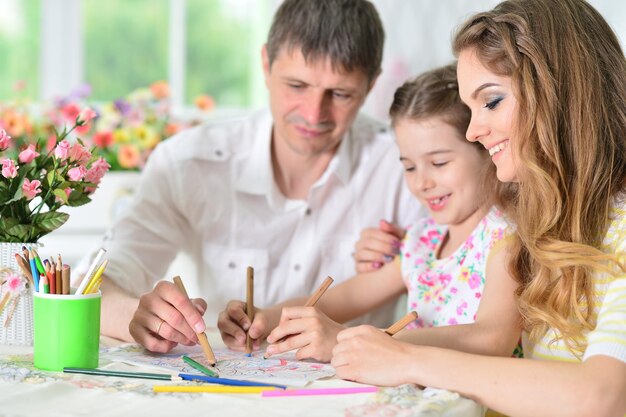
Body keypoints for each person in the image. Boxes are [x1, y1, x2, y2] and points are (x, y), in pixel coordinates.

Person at [331, 0, 626, 416]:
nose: (473, 130)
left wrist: (406, 359)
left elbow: (604, 397)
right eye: (470, 109)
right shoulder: (553, 227)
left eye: (490, 102)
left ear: (559, 90)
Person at [97, 0, 423, 352]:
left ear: (372, 84)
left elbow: (463, 288)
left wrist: (420, 253)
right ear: (266, 65)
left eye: (340, 94)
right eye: (297, 86)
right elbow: (97, 286)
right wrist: (139, 316)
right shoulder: (188, 162)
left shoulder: (409, 166)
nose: (314, 114)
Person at [217, 63, 510, 362]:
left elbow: (490, 339)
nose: (422, 182)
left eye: (439, 163)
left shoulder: (505, 237)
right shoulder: (423, 241)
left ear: (486, 150)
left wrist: (351, 342)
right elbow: (345, 298)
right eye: (409, 166)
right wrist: (267, 317)